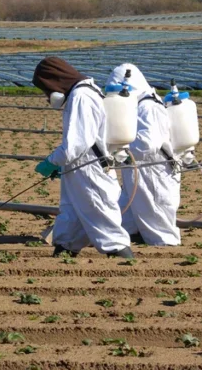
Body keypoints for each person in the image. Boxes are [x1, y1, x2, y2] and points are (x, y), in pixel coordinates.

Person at [32, 57, 134, 259]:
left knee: (101, 214)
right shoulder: (85, 92)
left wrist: (52, 161)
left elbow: (76, 144)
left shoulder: (81, 96)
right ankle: (64, 251)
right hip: (81, 167)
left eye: (45, 89)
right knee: (72, 215)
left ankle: (125, 263)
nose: (47, 95)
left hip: (89, 168)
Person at [106, 64, 181, 246]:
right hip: (138, 168)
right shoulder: (136, 105)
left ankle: (166, 250)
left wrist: (118, 149)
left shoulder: (148, 106)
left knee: (155, 213)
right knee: (127, 211)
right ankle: (129, 235)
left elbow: (147, 144)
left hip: (154, 171)